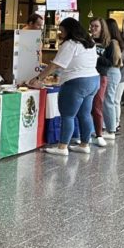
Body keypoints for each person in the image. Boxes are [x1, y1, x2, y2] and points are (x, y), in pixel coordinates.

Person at [28, 18, 99, 156]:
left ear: (69, 30)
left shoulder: (70, 44)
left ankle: (62, 147)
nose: (60, 34)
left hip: (77, 82)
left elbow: (56, 65)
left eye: (62, 31)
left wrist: (38, 78)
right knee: (85, 114)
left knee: (67, 115)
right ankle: (85, 145)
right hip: (93, 80)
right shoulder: (90, 43)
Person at [88, 18, 111, 147]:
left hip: (101, 76)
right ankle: (86, 133)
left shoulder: (109, 43)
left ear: (102, 28)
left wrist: (97, 57)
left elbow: (110, 63)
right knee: (85, 106)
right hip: (87, 76)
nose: (93, 29)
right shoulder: (88, 41)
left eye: (96, 26)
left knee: (97, 105)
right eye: (91, 26)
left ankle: (99, 134)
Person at [102, 19, 124, 140]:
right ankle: (111, 126)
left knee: (109, 101)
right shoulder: (116, 42)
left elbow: (114, 62)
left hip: (112, 72)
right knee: (111, 101)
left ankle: (111, 129)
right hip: (115, 73)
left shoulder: (113, 42)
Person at [105, 18, 124, 134]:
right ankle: (114, 124)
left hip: (119, 75)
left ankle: (114, 124)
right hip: (122, 75)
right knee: (114, 101)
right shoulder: (119, 41)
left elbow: (118, 62)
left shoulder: (114, 43)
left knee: (113, 101)